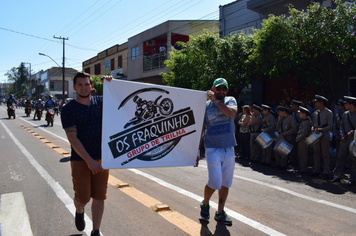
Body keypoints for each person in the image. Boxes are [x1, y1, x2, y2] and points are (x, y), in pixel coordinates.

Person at [61, 72, 112, 236]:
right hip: (81, 160)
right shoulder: (68, 109)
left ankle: (96, 230)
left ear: (91, 86)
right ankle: (79, 210)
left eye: (86, 84)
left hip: (103, 159)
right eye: (80, 85)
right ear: (75, 87)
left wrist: (112, 84)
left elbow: (122, 101)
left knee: (99, 196)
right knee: (83, 198)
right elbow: (72, 138)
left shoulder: (102, 102)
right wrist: (89, 161)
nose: (84, 88)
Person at [196, 78, 237, 226]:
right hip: (212, 148)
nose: (221, 91)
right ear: (212, 89)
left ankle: (220, 212)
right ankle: (205, 203)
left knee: (226, 183)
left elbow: (231, 114)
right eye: (218, 88)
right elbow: (200, 128)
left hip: (229, 148)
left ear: (227, 90)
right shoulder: (204, 106)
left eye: (223, 89)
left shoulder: (230, 100)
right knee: (215, 181)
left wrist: (216, 102)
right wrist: (196, 151)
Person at [330, 96, 356, 185]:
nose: (345, 105)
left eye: (346, 104)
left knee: (353, 161)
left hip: (354, 141)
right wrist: (343, 135)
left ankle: (353, 178)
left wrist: (354, 132)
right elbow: (341, 126)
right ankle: (337, 175)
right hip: (345, 140)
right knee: (340, 158)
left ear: (351, 105)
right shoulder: (345, 114)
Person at [311, 95, 333, 180]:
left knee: (325, 154)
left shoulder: (328, 113)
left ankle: (326, 171)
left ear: (321, 103)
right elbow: (313, 124)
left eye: (317, 102)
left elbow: (330, 126)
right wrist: (313, 130)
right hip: (316, 134)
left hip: (324, 134)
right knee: (316, 152)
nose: (315, 104)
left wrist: (322, 129)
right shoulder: (315, 113)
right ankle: (316, 169)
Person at [274, 105, 297, 170]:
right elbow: (277, 128)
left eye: (280, 112)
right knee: (276, 150)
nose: (279, 114)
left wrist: (286, 133)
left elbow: (294, 128)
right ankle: (278, 163)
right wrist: (278, 121)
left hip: (286, 136)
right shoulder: (280, 118)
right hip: (280, 135)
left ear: (284, 112)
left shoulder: (290, 118)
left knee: (284, 151)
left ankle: (283, 164)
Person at [296, 106, 312, 173]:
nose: (299, 115)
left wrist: (297, 138)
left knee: (303, 155)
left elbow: (304, 133)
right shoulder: (303, 121)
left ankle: (303, 168)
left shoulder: (306, 122)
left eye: (300, 113)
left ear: (304, 114)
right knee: (300, 154)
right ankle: (301, 167)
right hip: (301, 140)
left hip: (303, 140)